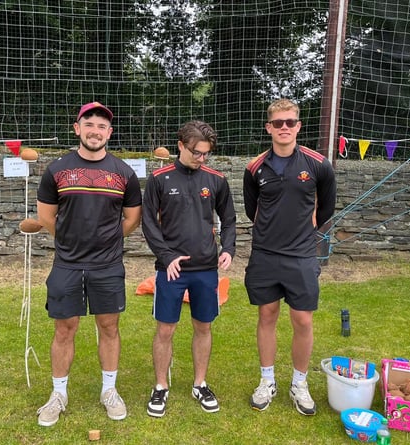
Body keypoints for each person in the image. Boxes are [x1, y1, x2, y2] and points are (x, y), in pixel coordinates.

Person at [35, 102, 142, 426]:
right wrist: (70, 241)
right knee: (64, 329)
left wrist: (105, 242)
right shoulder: (57, 170)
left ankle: (109, 391)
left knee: (109, 327)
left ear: (109, 133)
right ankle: (58, 395)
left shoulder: (124, 172)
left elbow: (132, 218)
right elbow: (46, 217)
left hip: (107, 265)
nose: (95, 131)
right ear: (77, 128)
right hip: (66, 264)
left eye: (102, 126)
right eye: (89, 124)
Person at [243, 98, 336, 415]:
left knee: (302, 320)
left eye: (290, 122)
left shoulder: (318, 164)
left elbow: (326, 209)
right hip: (265, 255)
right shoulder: (254, 167)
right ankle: (266, 380)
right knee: (266, 316)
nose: (284, 128)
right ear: (268, 127)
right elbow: (252, 209)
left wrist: (303, 233)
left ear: (298, 126)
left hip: (301, 256)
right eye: (278, 123)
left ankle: (299, 383)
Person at [141, 120, 237, 417]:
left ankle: (200, 383)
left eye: (206, 153)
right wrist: (166, 256)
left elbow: (229, 219)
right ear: (180, 145)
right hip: (170, 270)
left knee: (203, 326)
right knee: (166, 329)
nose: (202, 158)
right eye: (197, 152)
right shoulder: (159, 179)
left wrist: (229, 250)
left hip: (206, 269)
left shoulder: (216, 179)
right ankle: (160, 387)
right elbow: (148, 223)